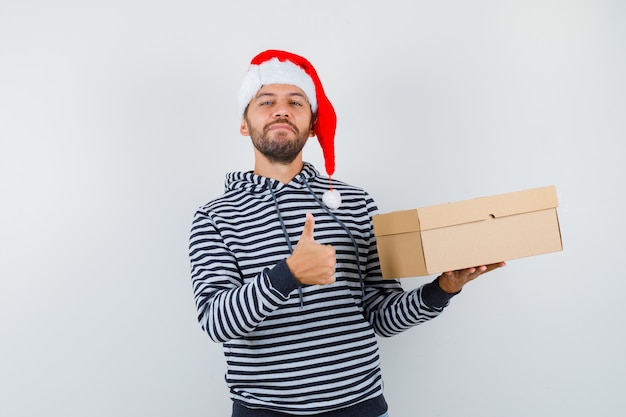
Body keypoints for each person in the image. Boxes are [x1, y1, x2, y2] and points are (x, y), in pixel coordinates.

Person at [188, 49, 505, 417]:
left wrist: (442, 289)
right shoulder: (214, 216)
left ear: (311, 123)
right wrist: (287, 275)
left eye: (296, 101)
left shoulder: (355, 204)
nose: (281, 110)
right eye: (266, 101)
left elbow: (381, 314)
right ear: (245, 123)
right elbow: (216, 322)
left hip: (362, 409)